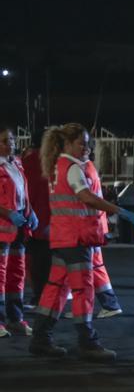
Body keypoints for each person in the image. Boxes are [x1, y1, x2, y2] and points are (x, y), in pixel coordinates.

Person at [29, 123, 134, 360]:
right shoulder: (71, 167)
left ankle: (40, 338)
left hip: (63, 238)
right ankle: (87, 342)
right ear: (67, 144)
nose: (86, 147)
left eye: (87, 142)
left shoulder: (58, 166)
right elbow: (85, 197)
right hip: (77, 238)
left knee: (56, 288)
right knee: (83, 289)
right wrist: (119, 211)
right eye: (81, 142)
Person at [0, 123, 37, 338]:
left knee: (17, 273)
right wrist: (7, 212)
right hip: (3, 227)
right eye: (5, 141)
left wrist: (30, 211)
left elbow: (23, 193)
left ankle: (16, 319)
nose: (10, 145)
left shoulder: (17, 164)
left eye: (12, 140)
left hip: (19, 227)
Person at [83, 157, 124, 319]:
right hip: (94, 224)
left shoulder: (80, 168)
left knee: (90, 266)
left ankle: (107, 304)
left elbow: (86, 197)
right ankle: (107, 304)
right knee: (94, 265)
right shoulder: (88, 166)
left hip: (88, 226)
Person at [20, 131, 51, 316]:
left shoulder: (27, 162)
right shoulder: (52, 162)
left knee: (34, 263)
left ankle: (40, 298)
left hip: (32, 219)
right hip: (49, 220)